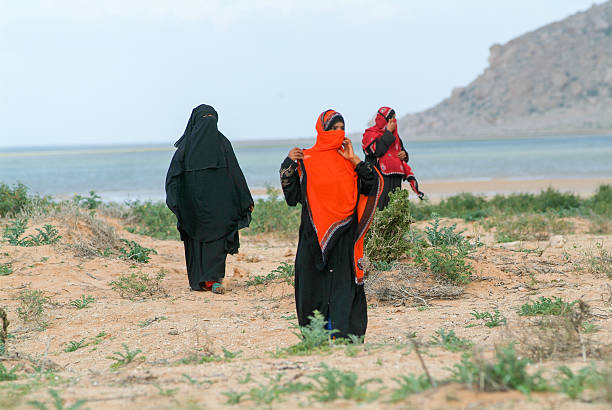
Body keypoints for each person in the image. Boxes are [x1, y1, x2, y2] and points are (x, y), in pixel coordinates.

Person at [280, 109, 383, 338]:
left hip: (344, 234)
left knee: (342, 287)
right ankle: (317, 335)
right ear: (322, 130)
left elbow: (371, 183)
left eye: (341, 128)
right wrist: (288, 162)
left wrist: (355, 159)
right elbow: (292, 198)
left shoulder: (347, 162)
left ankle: (343, 335)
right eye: (333, 128)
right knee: (312, 286)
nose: (338, 133)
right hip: (313, 235)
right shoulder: (306, 160)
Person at [165, 104, 254, 294]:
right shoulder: (185, 149)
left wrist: (245, 200)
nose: (208, 121)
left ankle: (214, 281)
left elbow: (235, 174)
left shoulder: (223, 144)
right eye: (204, 117)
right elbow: (173, 177)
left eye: (211, 117)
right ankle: (199, 281)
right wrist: (176, 201)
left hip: (219, 205)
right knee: (195, 242)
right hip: (192, 206)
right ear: (195, 121)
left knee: (218, 240)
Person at [362, 107, 424, 209]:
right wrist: (388, 133)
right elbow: (377, 151)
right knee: (379, 207)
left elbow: (401, 150)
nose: (393, 121)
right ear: (383, 119)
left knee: (394, 206)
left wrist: (405, 155)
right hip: (379, 178)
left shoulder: (395, 136)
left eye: (395, 118)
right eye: (391, 118)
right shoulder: (370, 134)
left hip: (395, 177)